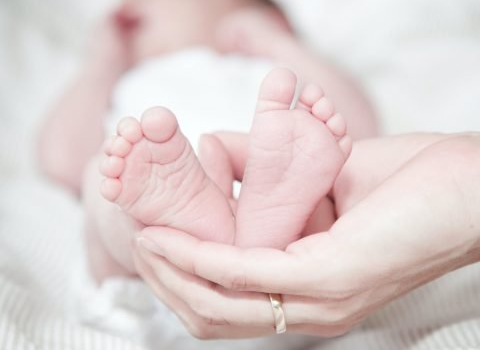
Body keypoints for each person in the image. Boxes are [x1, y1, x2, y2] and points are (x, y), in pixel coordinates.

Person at [38, 0, 377, 281]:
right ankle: (202, 226)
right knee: (105, 180)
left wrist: (277, 43)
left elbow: (360, 133)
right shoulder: (124, 82)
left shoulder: (271, 70)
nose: (129, 3)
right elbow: (62, 161)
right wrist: (103, 61)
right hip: (153, 284)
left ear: (266, 19)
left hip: (299, 280)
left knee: (329, 185)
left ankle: (258, 225)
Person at [131, 128, 480, 339]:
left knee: (122, 207)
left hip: (224, 171)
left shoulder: (278, 56)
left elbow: (357, 120)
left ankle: (216, 231)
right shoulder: (131, 69)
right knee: (121, 198)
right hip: (192, 167)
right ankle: (242, 229)